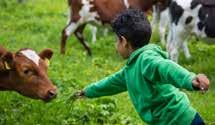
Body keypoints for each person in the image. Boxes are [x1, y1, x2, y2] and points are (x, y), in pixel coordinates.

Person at [73, 9, 210, 125]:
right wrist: (88, 91)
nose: (116, 46)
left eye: (117, 41)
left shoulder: (147, 59)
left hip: (181, 120)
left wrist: (190, 79)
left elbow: (166, 68)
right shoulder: (130, 68)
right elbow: (111, 83)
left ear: (124, 41)